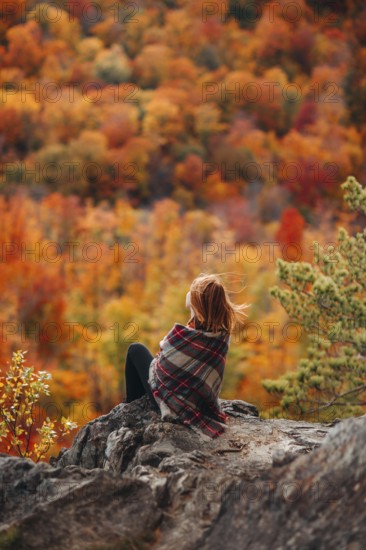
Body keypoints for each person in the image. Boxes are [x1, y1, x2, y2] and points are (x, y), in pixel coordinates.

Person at [123, 273, 250, 438]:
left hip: (170, 401)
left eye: (192, 292)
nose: (188, 294)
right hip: (198, 403)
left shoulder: (184, 336)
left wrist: (160, 362)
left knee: (136, 349)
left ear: (197, 304)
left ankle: (130, 404)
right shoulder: (221, 339)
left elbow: (163, 360)